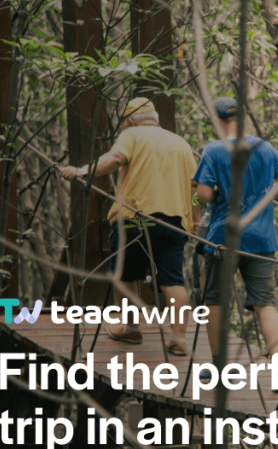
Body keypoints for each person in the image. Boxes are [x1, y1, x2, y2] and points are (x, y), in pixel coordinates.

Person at [59, 97, 195, 355]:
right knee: (173, 280)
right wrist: (195, 217)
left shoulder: (132, 135)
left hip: (135, 218)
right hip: (174, 222)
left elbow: (116, 158)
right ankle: (179, 338)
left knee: (124, 276)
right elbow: (194, 188)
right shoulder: (182, 144)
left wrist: (82, 171)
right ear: (155, 118)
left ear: (130, 121)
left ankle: (132, 328)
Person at [194, 96, 278, 377]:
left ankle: (218, 365)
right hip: (262, 238)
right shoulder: (265, 148)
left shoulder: (214, 150)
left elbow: (203, 195)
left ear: (217, 121)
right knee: (265, 303)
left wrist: (215, 194)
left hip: (222, 239)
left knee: (214, 300)